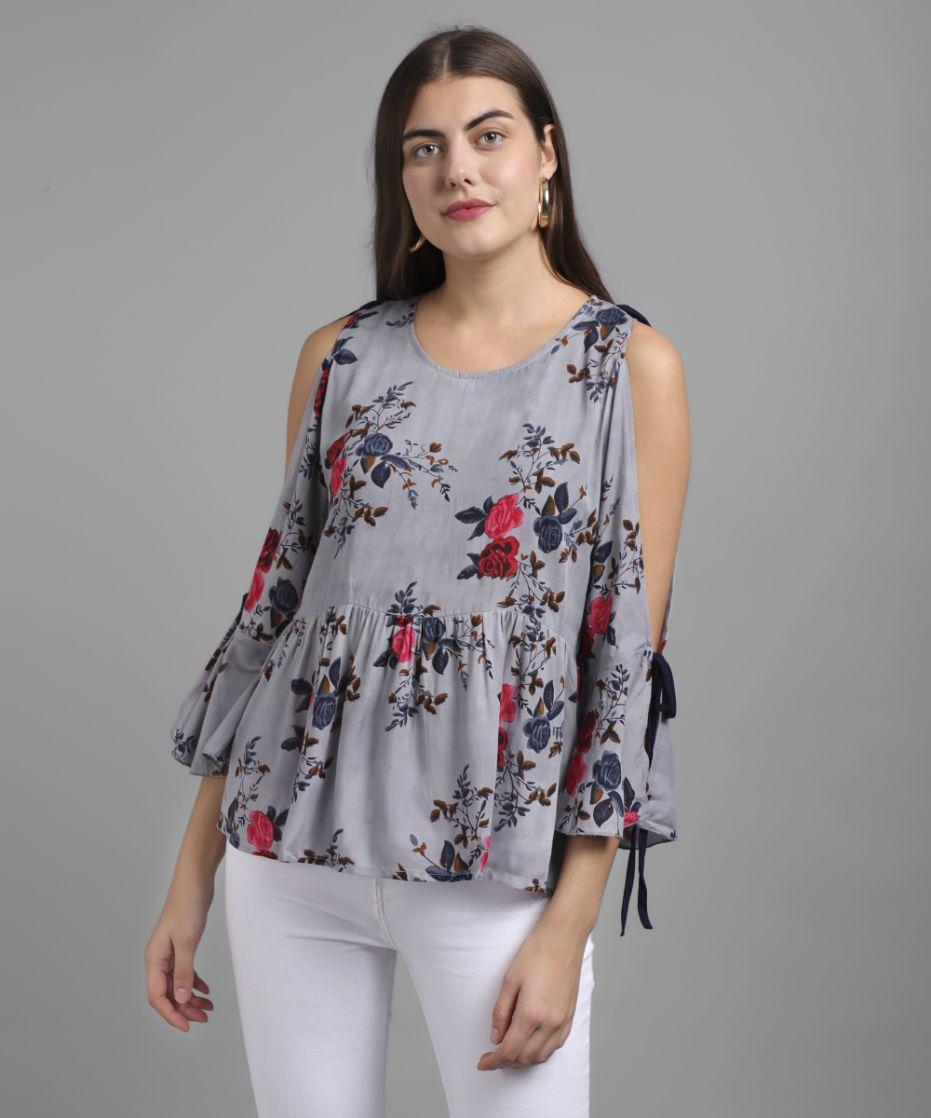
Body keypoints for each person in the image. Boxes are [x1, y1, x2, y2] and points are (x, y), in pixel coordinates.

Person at [145, 24, 690, 1118]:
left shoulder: (627, 367)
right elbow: (275, 617)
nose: (457, 171)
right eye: (423, 148)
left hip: (496, 866)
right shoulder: (340, 355)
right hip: (288, 857)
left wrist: (570, 919)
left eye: (488, 137)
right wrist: (190, 873)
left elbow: (626, 663)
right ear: (401, 181)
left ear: (545, 155)